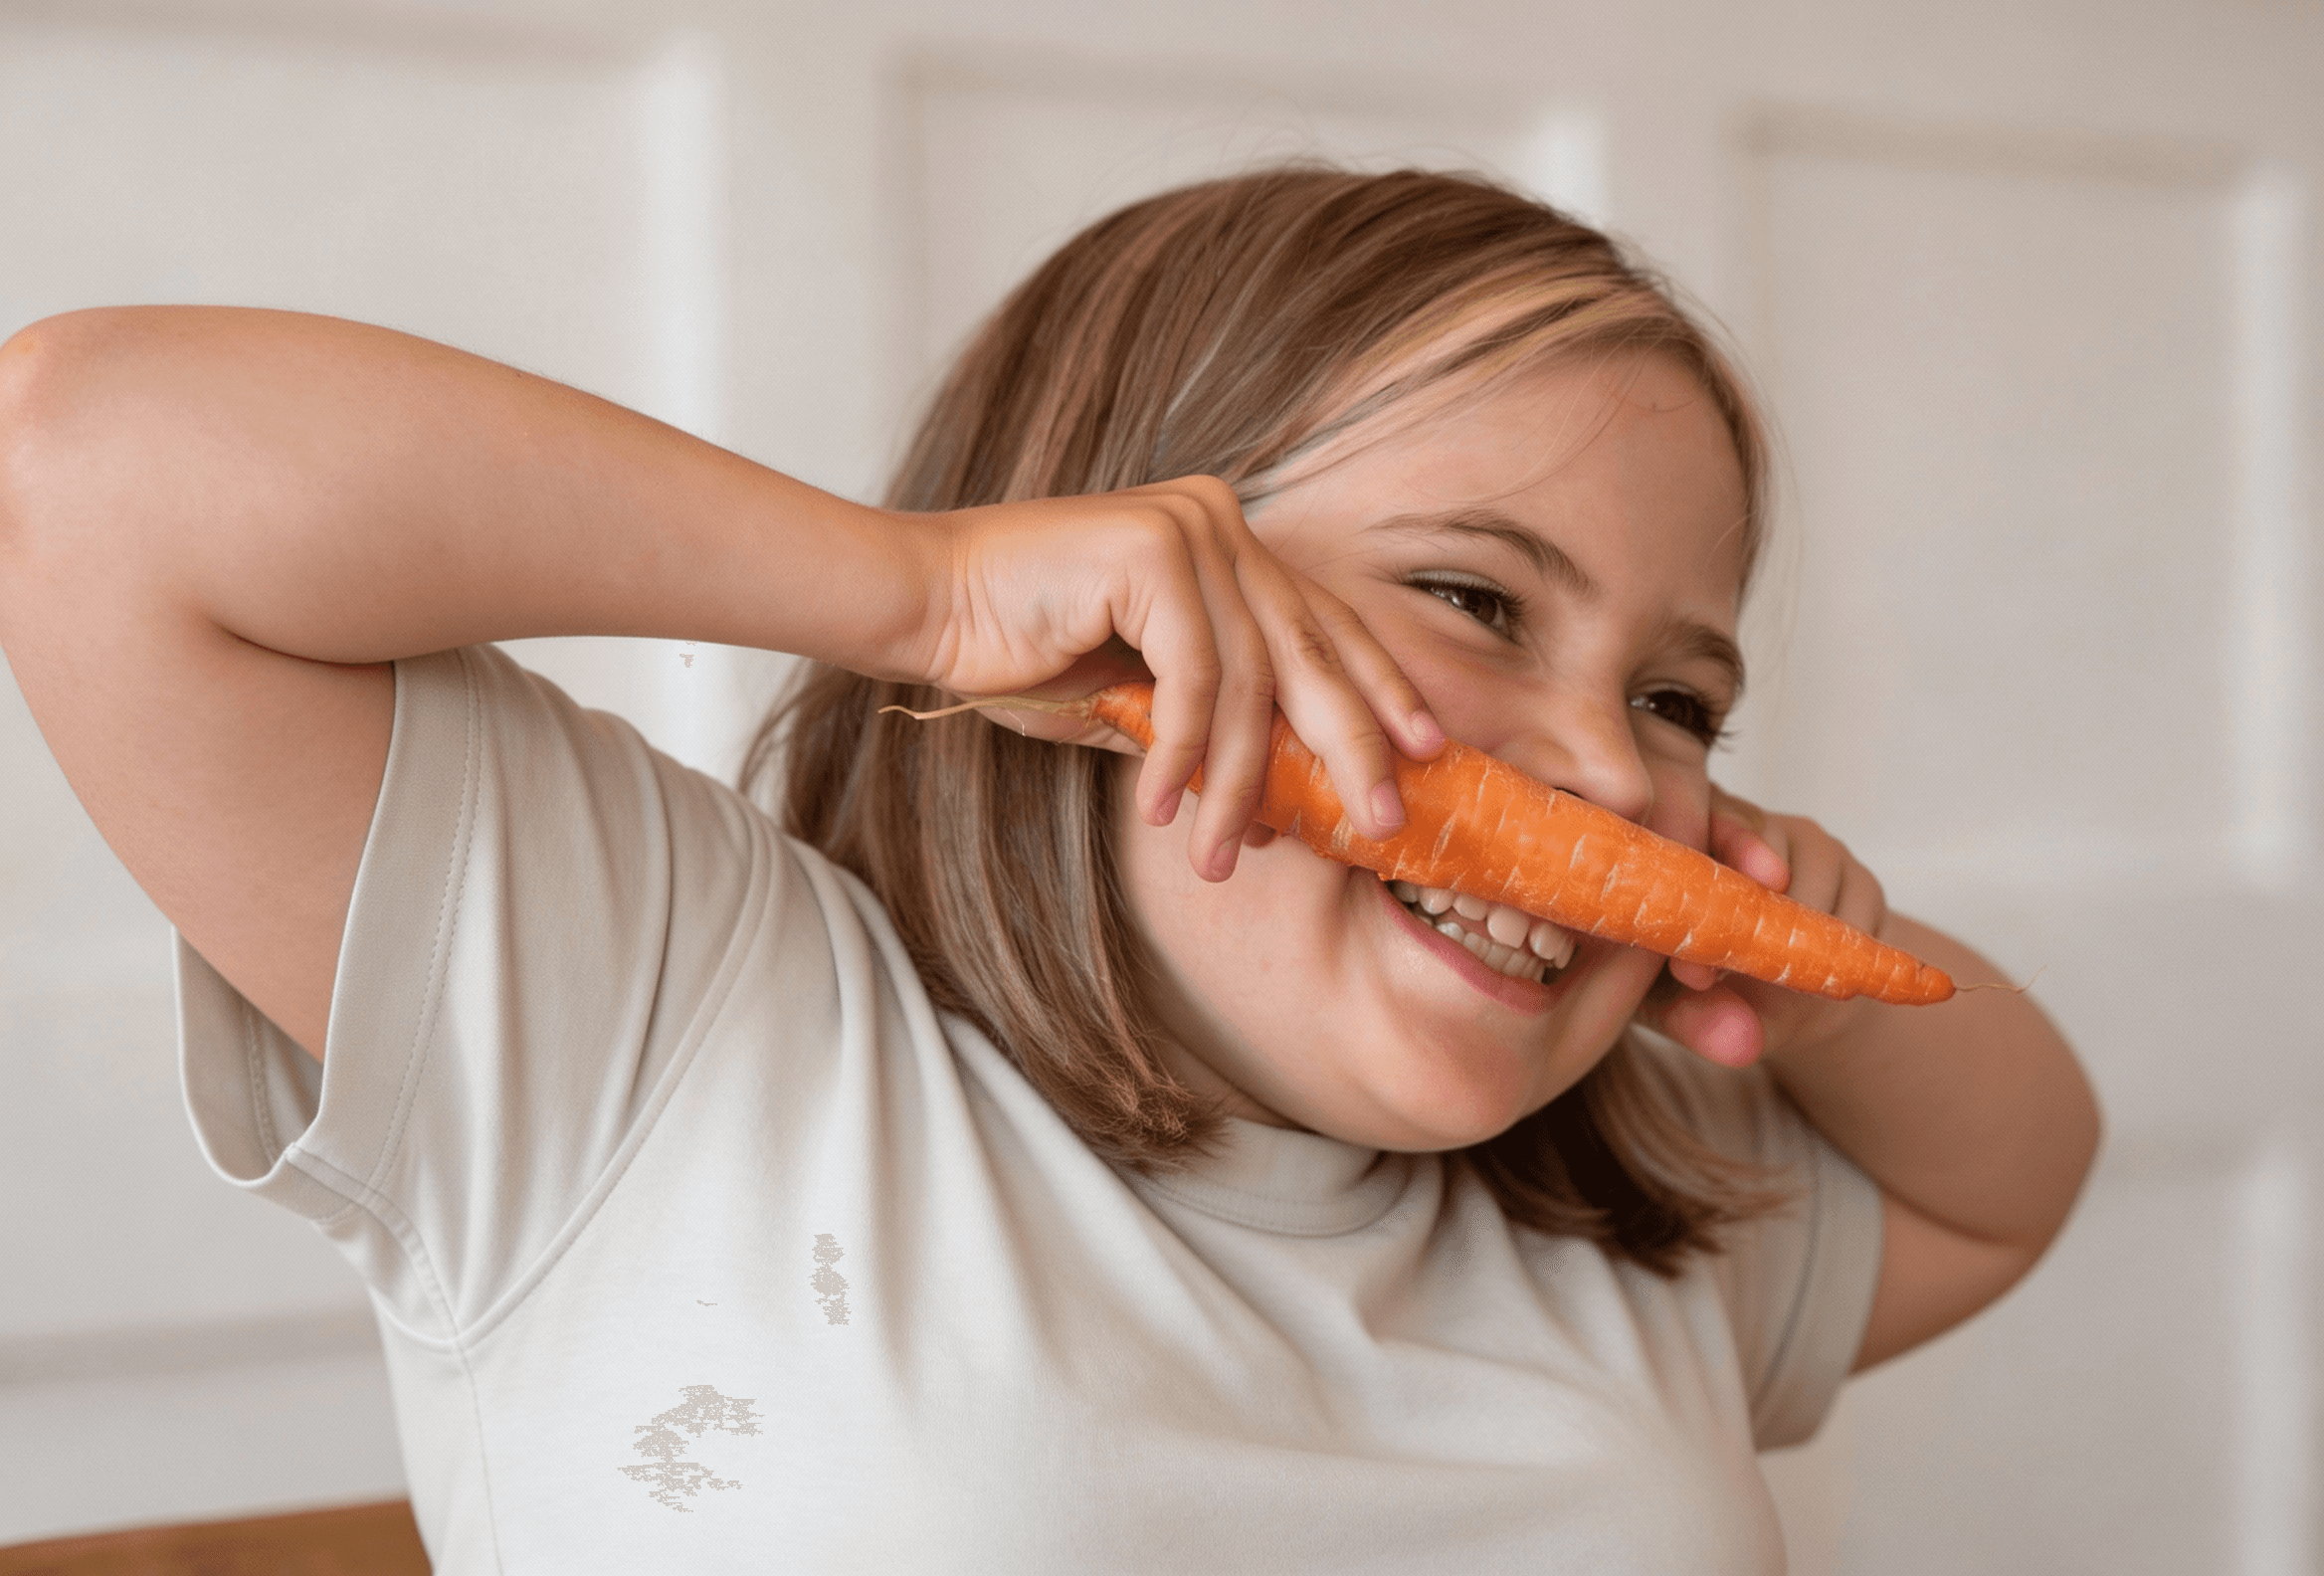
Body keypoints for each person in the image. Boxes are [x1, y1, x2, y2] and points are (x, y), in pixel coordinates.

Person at [0, 168, 2097, 1571]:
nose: (1604, 768)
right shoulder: (672, 1027)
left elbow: (2008, 1182)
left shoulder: (1606, 1235)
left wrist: (1815, 962)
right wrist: (904, 594)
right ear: (1112, 599)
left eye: (1679, 703)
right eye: (1471, 599)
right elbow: (85, 460)